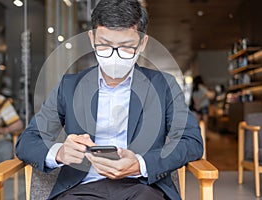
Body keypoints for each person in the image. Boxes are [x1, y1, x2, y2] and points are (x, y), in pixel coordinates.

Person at [16, 0, 203, 199]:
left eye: (126, 47)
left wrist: (140, 164)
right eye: (104, 46)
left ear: (142, 43)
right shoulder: (69, 86)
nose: (114, 56)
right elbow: (27, 141)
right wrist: (59, 152)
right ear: (92, 38)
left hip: (142, 187)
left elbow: (190, 141)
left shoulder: (163, 86)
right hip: (81, 189)